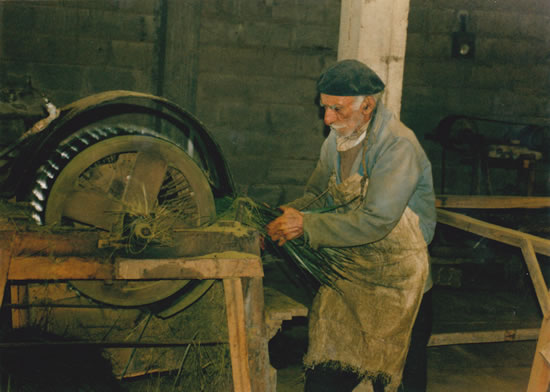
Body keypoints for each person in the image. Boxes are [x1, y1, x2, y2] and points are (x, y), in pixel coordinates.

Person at [266, 59, 436, 392]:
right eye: (324, 108)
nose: (327, 118)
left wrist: (308, 226)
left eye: (337, 109)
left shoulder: (397, 145)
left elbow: (377, 220)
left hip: (399, 287)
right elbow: (318, 195)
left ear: (368, 106)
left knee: (397, 381)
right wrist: (287, 215)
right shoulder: (337, 141)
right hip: (353, 276)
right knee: (324, 379)